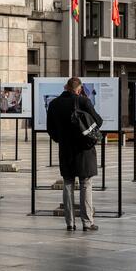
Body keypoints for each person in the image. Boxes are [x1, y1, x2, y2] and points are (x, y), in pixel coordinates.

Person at [47, 77, 103, 232]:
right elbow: (98, 121)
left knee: (68, 184)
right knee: (86, 184)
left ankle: (70, 223)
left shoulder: (54, 104)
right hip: (84, 150)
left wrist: (61, 139)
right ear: (79, 89)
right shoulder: (83, 102)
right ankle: (87, 222)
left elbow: (50, 129)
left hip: (66, 150)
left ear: (66, 87)